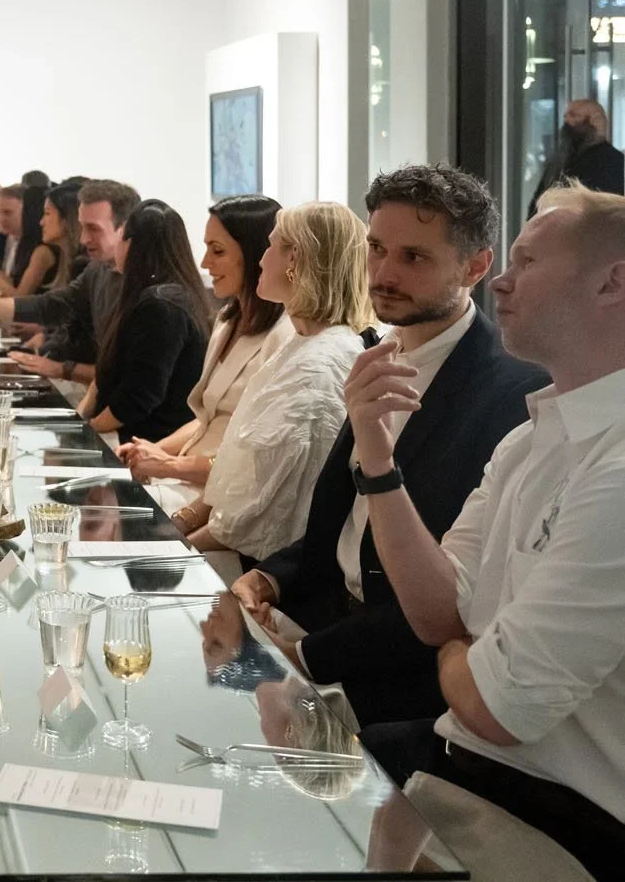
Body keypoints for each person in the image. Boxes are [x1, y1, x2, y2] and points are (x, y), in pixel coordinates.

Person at [339, 180, 625, 877]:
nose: (500, 281)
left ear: (613, 283)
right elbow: (438, 612)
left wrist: (460, 655)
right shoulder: (532, 441)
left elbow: (496, 707)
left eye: (526, 262)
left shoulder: (615, 465)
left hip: (561, 819)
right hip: (465, 775)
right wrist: (376, 458)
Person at [231, 164, 550, 728]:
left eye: (414, 257)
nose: (382, 273)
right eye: (377, 249)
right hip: (325, 620)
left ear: (477, 266)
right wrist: (271, 576)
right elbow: (344, 521)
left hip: (403, 679)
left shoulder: (512, 393)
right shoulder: (381, 351)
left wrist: (303, 658)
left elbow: (448, 592)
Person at [172, 201, 379, 579]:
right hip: (243, 554)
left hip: (267, 575)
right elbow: (240, 484)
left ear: (293, 260)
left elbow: (268, 518)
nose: (261, 260)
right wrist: (182, 523)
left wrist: (174, 549)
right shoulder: (302, 345)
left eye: (270, 246)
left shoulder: (318, 364)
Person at [118, 195, 294, 513]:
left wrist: (169, 464)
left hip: (215, 499)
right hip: (184, 478)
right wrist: (148, 452)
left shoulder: (283, 338)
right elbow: (205, 421)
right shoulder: (227, 320)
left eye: (218, 250)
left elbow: (252, 465)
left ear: (257, 255)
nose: (204, 262)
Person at [0, 179, 140, 386]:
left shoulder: (142, 286)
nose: (84, 239)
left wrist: (59, 367)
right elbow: (45, 305)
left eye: (93, 228)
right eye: (83, 227)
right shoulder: (98, 269)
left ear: (125, 229)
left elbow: (127, 378)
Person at [77, 199, 212, 439]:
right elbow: (104, 378)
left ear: (131, 244)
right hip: (129, 437)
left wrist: (89, 431)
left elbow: (138, 397)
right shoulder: (158, 295)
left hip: (144, 445)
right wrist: (78, 421)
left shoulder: (161, 304)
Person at [0, 182, 81, 297]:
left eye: (8, 213)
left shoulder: (44, 251)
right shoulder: (14, 240)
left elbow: (20, 299)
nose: (1, 219)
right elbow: (8, 281)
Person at [528, 99, 623, 215]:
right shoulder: (560, 162)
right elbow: (537, 204)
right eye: (565, 116)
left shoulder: (615, 163)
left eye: (573, 116)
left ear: (595, 121)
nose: (566, 121)